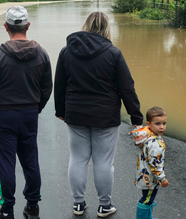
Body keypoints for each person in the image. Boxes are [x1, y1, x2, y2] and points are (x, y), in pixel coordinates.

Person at [54, 11, 143, 217]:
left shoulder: (67, 52)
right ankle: (104, 205)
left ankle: (78, 204)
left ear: (85, 26)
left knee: (77, 159)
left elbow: (59, 85)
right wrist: (136, 119)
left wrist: (61, 111)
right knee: (103, 162)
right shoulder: (113, 53)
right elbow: (126, 88)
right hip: (106, 116)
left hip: (75, 115)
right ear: (106, 28)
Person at [0, 6, 53, 219]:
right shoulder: (41, 54)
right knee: (30, 160)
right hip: (29, 115)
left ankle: (7, 211)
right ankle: (32, 206)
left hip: (3, 116)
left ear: (6, 27)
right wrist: (36, 109)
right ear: (28, 25)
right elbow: (46, 88)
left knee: (6, 164)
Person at [130, 107, 169, 219]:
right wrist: (162, 178)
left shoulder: (146, 136)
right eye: (157, 124)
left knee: (148, 198)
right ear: (149, 124)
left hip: (144, 174)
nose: (161, 127)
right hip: (150, 178)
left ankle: (147, 216)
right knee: (147, 200)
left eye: (164, 123)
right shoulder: (154, 143)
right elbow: (155, 164)